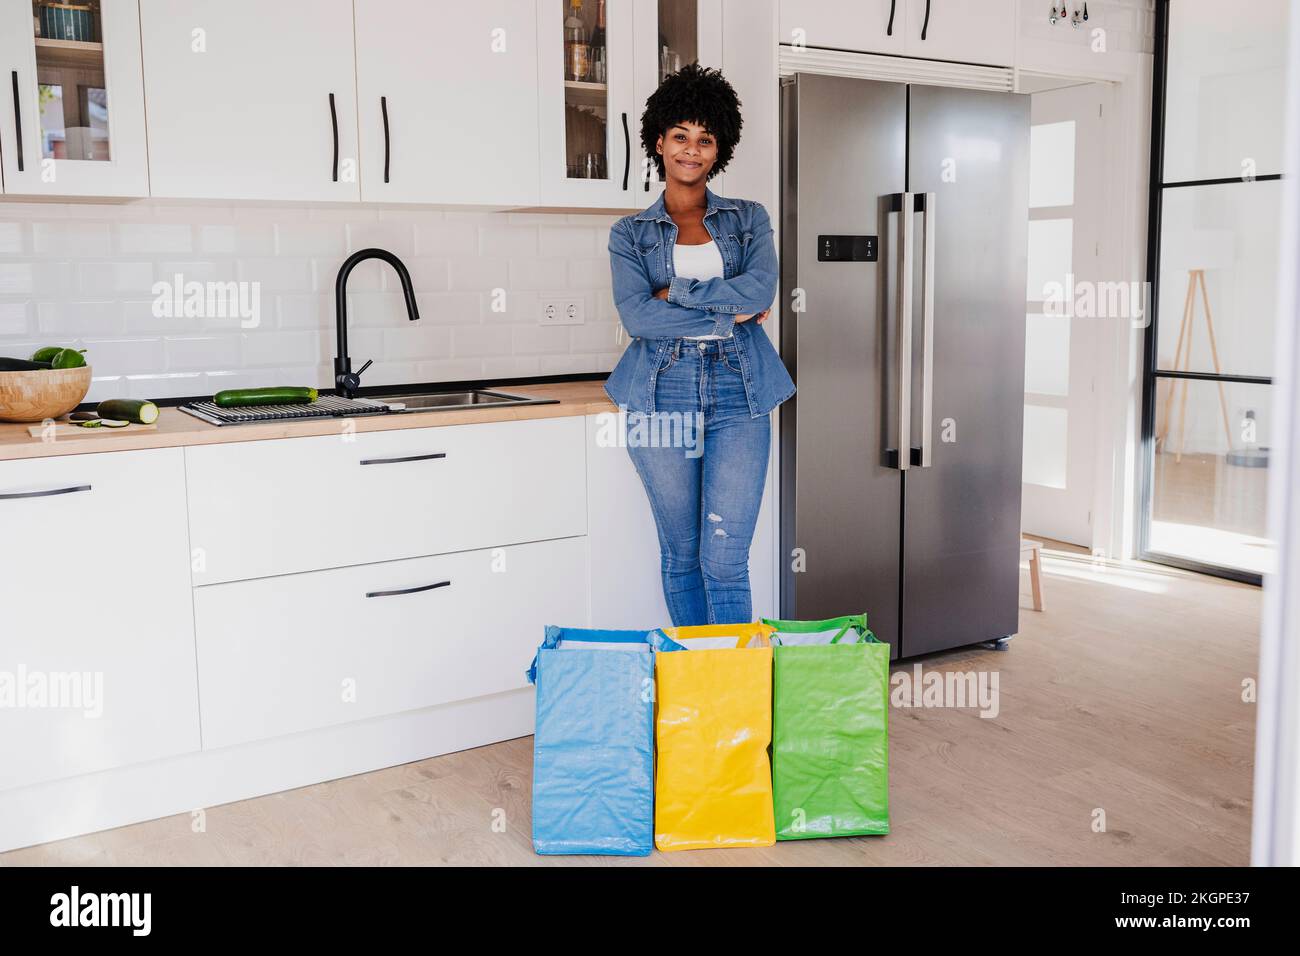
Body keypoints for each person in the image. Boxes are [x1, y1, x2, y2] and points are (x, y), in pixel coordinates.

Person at [605, 63, 795, 626]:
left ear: (719, 150)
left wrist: (678, 293)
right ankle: (700, 691)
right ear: (659, 142)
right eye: (680, 137)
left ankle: (735, 698)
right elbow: (639, 317)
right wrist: (727, 313)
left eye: (705, 140)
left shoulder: (749, 218)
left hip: (741, 394)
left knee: (726, 559)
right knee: (683, 554)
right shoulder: (629, 234)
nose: (692, 150)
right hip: (662, 393)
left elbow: (761, 288)